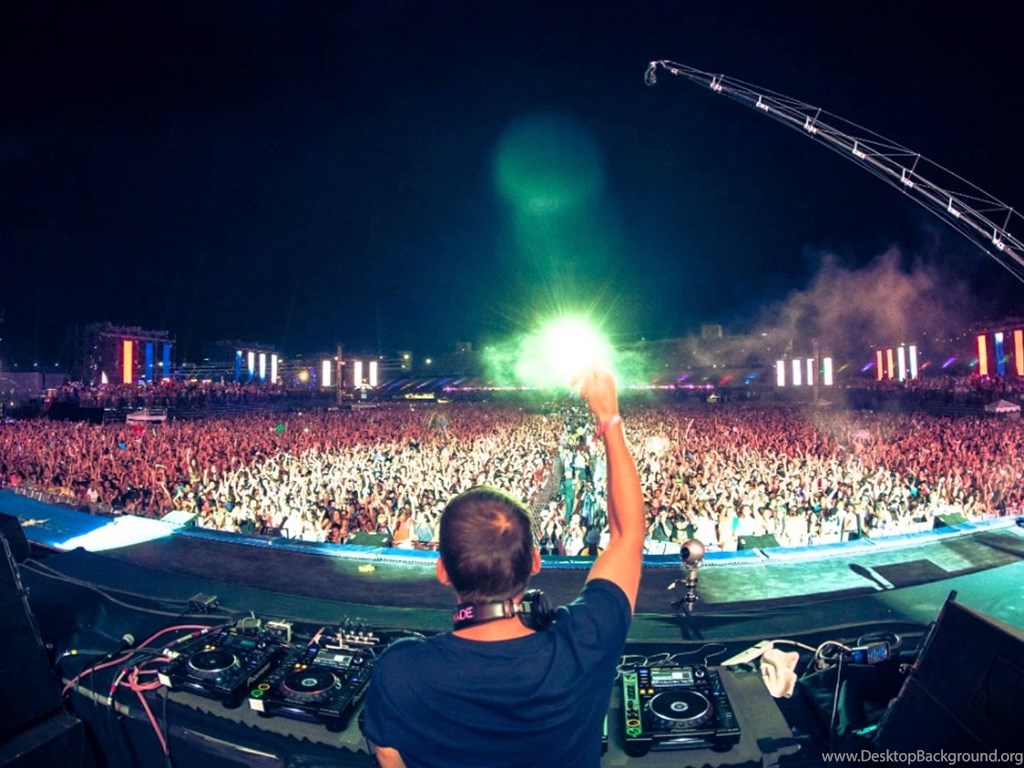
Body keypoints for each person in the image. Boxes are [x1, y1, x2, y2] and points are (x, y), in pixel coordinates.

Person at [360, 368, 645, 767]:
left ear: (442, 570)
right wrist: (609, 419)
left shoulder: (400, 670)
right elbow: (628, 535)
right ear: (535, 561)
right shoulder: (584, 645)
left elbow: (390, 760)